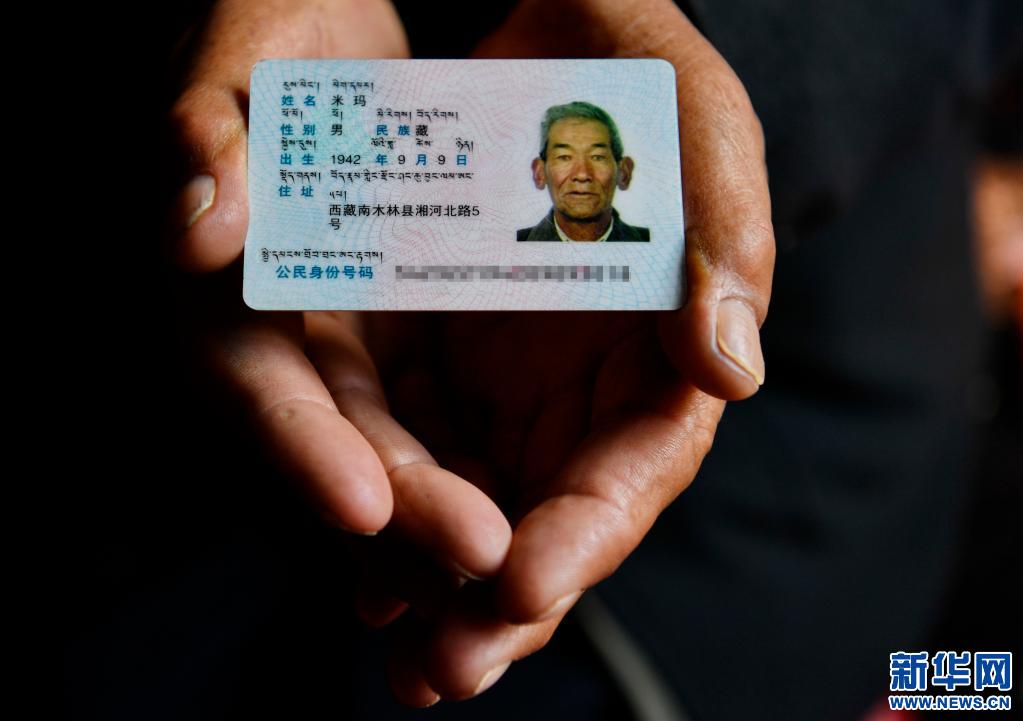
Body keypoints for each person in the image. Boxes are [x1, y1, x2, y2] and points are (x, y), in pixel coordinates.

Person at [517, 101, 650, 242]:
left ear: (623, 173)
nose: (582, 175)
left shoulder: (653, 243)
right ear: (540, 173)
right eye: (564, 157)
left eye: (597, 157)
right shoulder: (513, 244)